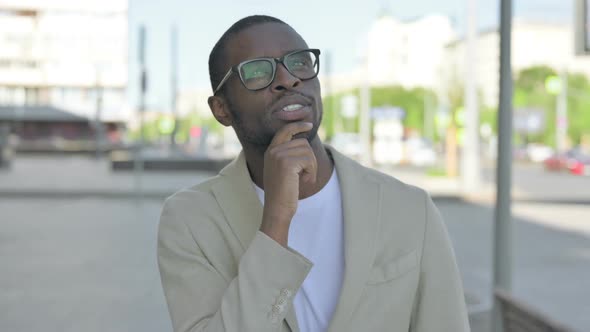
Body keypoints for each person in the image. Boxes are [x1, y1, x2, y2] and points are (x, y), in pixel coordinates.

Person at [157, 15, 470, 332]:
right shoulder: (190, 220)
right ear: (221, 109)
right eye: (257, 71)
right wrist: (276, 220)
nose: (288, 79)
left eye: (300, 63)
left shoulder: (410, 209)